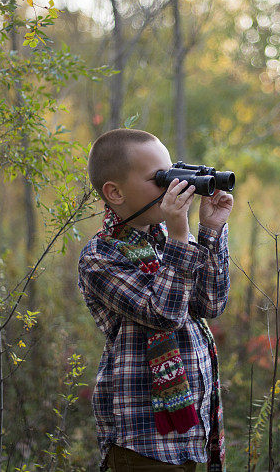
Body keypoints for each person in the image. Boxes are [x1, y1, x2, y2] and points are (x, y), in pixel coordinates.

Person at [78, 128, 233, 471]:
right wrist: (181, 235)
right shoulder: (100, 257)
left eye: (171, 172)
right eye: (158, 178)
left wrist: (209, 230)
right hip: (144, 444)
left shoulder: (165, 243)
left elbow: (211, 304)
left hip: (197, 432)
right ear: (114, 192)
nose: (170, 186)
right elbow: (162, 314)